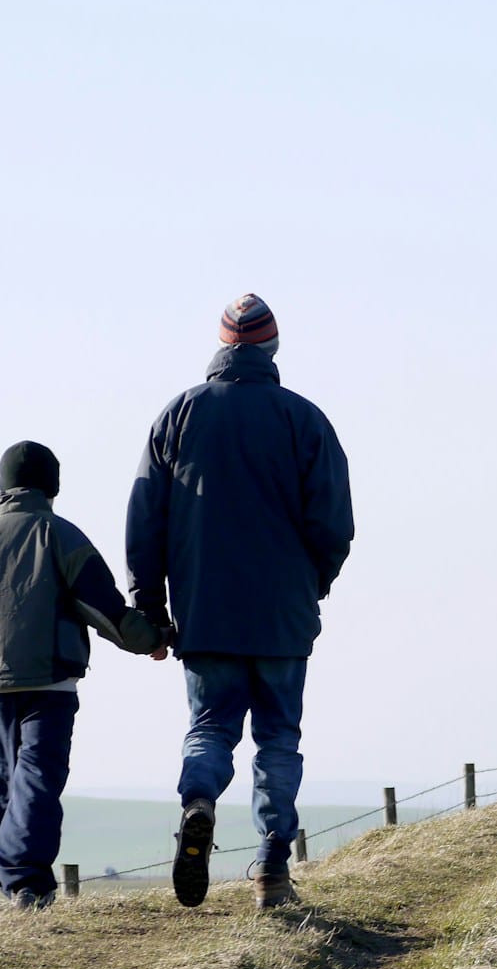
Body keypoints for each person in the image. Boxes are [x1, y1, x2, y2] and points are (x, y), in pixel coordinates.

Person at [126, 293, 354, 910]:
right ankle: (272, 867)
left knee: (210, 728)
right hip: (282, 616)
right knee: (278, 739)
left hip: (206, 613)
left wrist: (151, 608)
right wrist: (313, 584)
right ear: (272, 349)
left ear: (221, 347)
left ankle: (198, 802)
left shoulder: (178, 415)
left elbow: (146, 520)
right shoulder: (304, 420)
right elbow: (334, 523)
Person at [0, 441, 162, 908]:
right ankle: (28, 886)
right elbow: (105, 609)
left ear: (3, 487)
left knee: (7, 788)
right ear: (53, 485)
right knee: (37, 782)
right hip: (50, 684)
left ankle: (14, 888)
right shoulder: (60, 535)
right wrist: (152, 640)